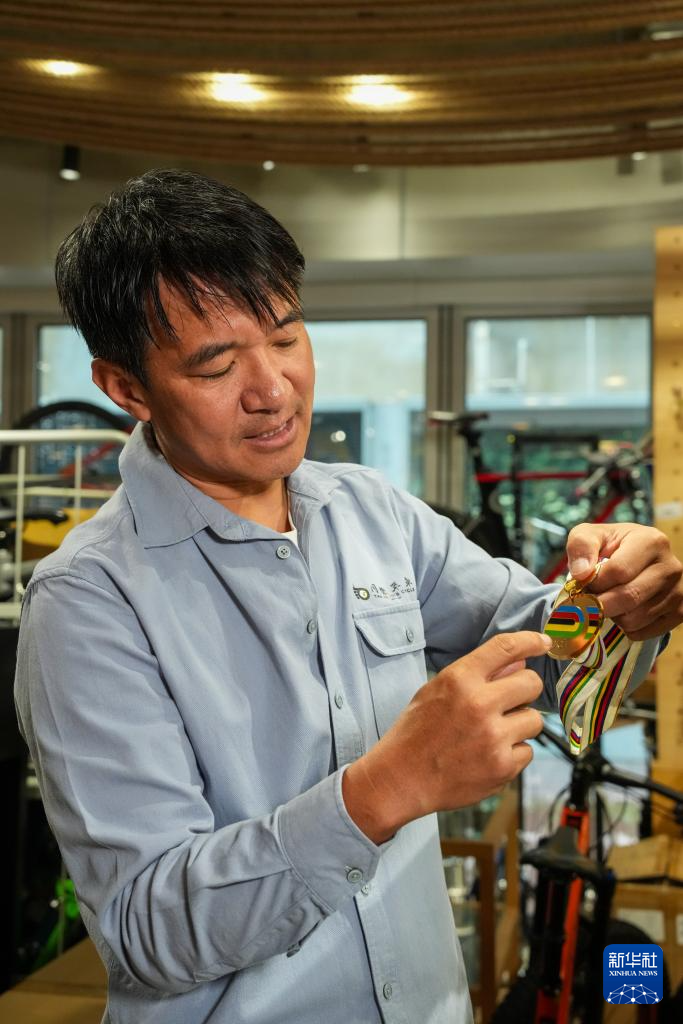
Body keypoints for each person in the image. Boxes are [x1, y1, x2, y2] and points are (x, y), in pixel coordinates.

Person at [14, 169, 683, 1024]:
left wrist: (621, 602)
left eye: (285, 336)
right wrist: (381, 791)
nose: (273, 390)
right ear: (127, 388)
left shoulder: (367, 510)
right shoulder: (88, 600)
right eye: (216, 363)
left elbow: (550, 656)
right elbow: (149, 930)